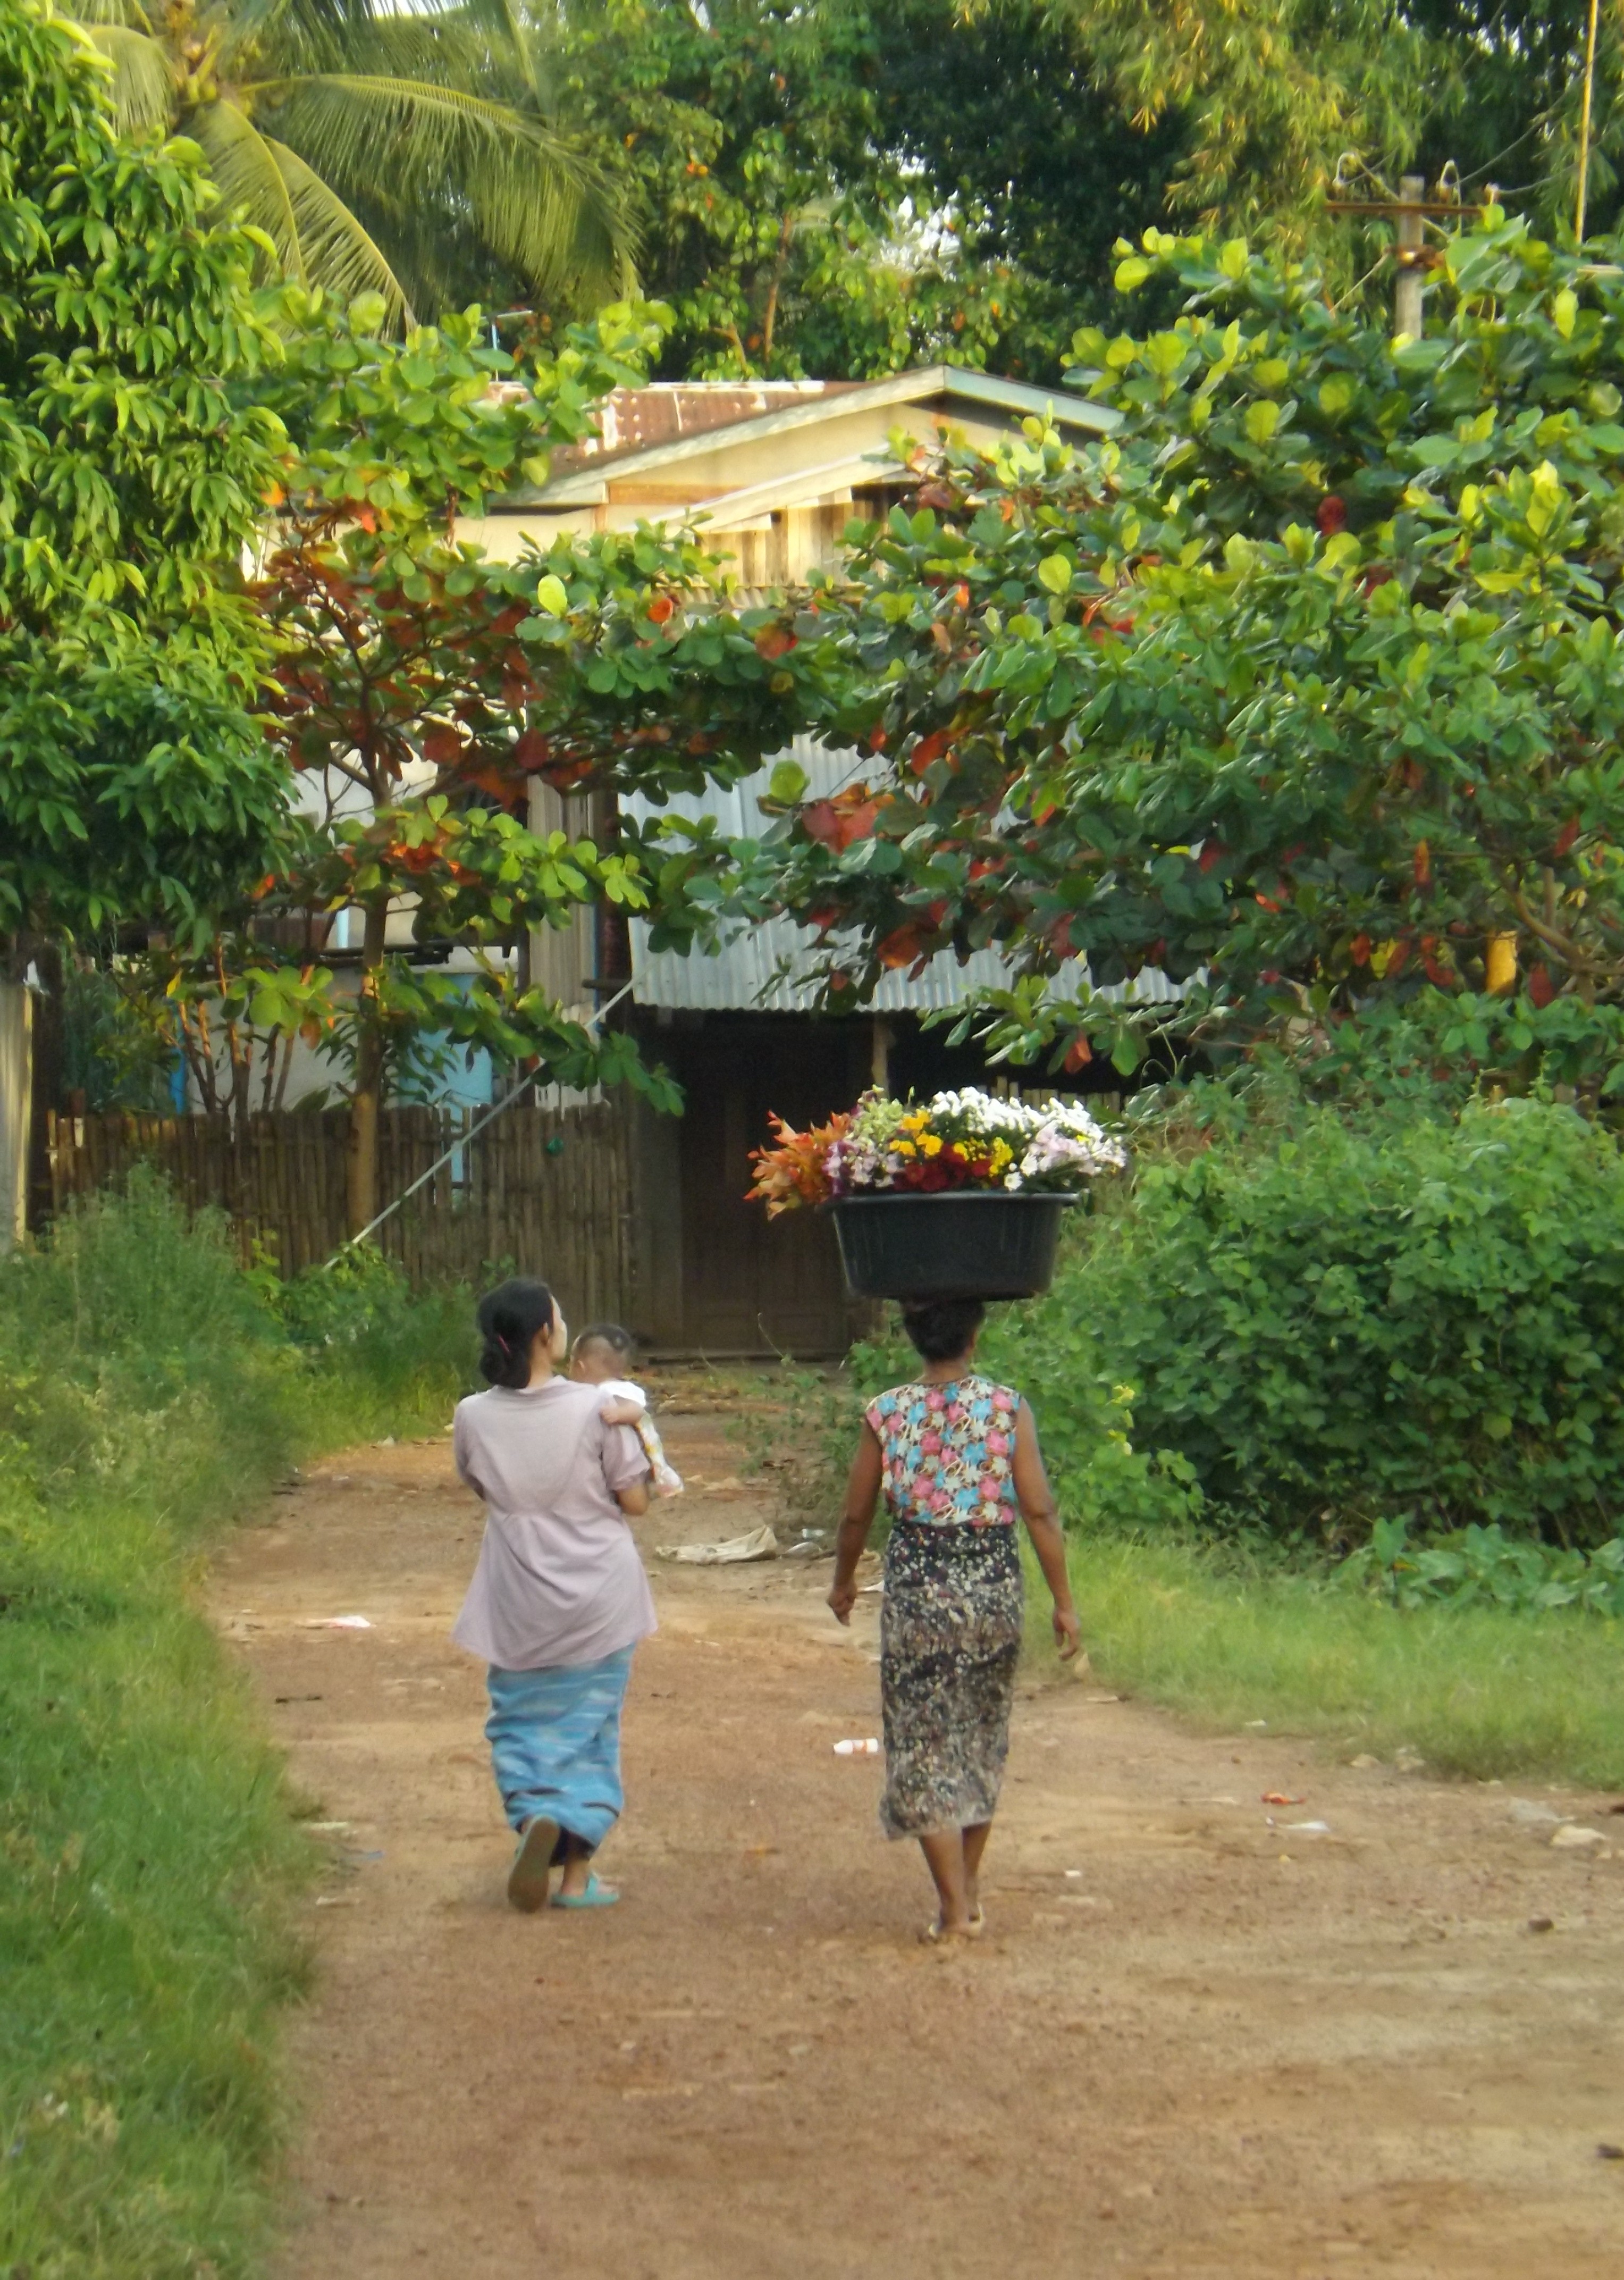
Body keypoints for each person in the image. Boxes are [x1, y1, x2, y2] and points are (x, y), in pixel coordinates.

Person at [828, 1297, 1082, 1942]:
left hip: (918, 1593)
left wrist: (844, 1580)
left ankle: (955, 1906)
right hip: (993, 1589)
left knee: (921, 1747)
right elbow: (1041, 1511)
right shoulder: (1007, 1407)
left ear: (914, 1338)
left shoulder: (885, 1412)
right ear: (975, 1335)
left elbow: (856, 1514)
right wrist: (1063, 1601)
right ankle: (963, 1893)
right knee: (980, 1737)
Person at [451, 1278, 654, 1913]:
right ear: (545, 1334)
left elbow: (482, 1487)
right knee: (591, 1727)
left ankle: (537, 1810)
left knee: (519, 1722)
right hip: (600, 1594)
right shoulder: (601, 1408)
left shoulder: (472, 1415)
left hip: (517, 1597)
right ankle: (576, 1878)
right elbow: (635, 1502)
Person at [568, 1322, 685, 1497]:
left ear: (580, 1368)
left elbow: (637, 1410)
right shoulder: (597, 1392)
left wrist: (618, 1414)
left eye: (570, 1362)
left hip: (638, 1455)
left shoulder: (617, 1390)